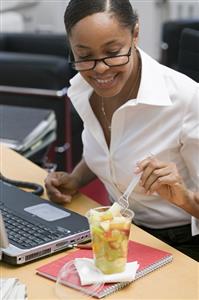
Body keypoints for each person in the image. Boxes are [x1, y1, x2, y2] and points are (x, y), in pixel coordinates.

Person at [45, 0, 199, 261]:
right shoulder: (84, 89)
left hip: (179, 243)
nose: (100, 69)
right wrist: (75, 179)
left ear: (135, 34)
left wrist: (182, 196)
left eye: (113, 52)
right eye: (84, 56)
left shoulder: (186, 100)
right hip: (118, 230)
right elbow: (109, 151)